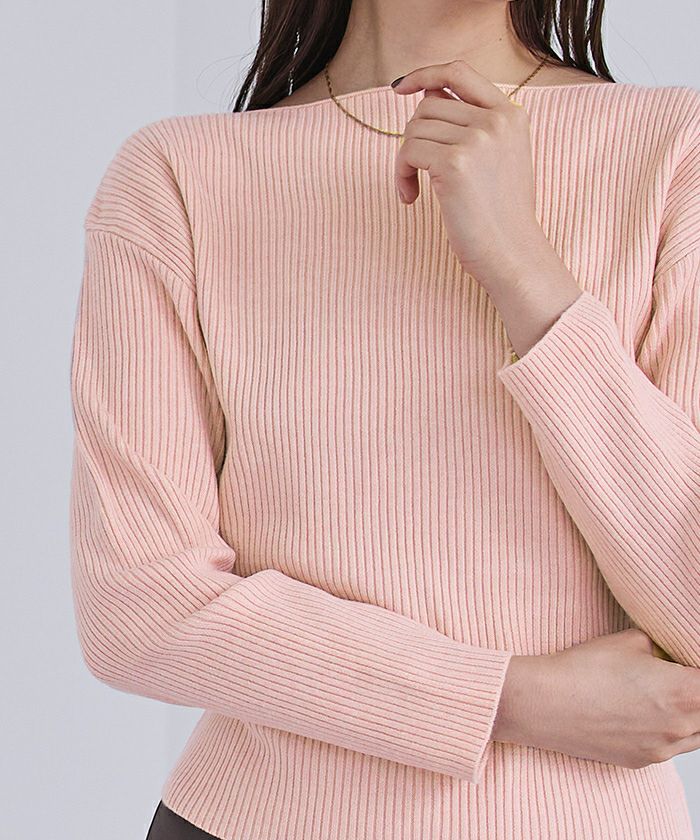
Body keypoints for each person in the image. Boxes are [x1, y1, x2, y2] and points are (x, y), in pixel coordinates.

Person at [68, 0, 700, 838]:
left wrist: (522, 266)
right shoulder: (179, 176)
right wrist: (506, 700)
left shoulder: (672, 151)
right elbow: (139, 607)